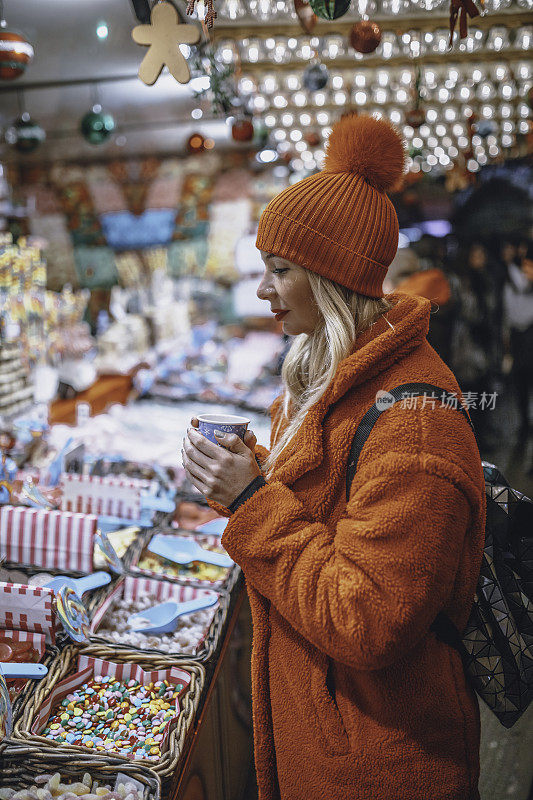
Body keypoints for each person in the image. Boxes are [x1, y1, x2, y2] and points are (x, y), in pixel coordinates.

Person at [181, 113, 486, 800]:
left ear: (329, 278)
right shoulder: (331, 375)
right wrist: (249, 469)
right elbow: (326, 501)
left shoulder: (413, 425)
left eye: (279, 271)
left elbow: (367, 618)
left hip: (382, 765)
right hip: (330, 741)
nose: (262, 291)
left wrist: (251, 502)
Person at [503, 240, 533, 442]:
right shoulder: (509, 281)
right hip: (521, 340)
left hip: (524, 338)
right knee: (522, 383)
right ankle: (525, 421)